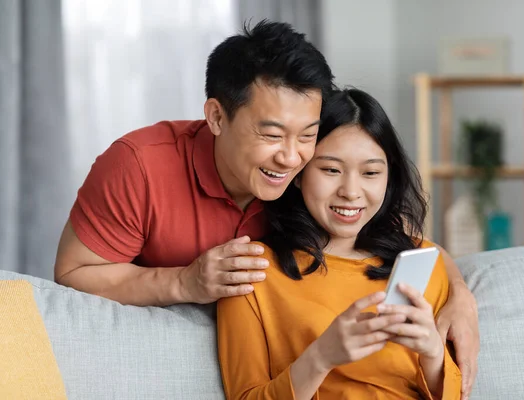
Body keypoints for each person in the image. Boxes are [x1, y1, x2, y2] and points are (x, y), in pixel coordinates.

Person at [53, 20, 478, 398]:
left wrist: (460, 294)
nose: (291, 158)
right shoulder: (140, 166)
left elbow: (392, 230)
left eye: (308, 135)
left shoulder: (311, 187)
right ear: (217, 117)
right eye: (271, 135)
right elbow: (73, 275)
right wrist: (183, 283)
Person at [218, 88, 462, 399]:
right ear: (297, 173)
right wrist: (320, 358)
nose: (351, 191)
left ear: (389, 178)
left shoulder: (420, 262)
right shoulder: (250, 273)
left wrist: (433, 356)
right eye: (331, 170)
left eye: (371, 172)